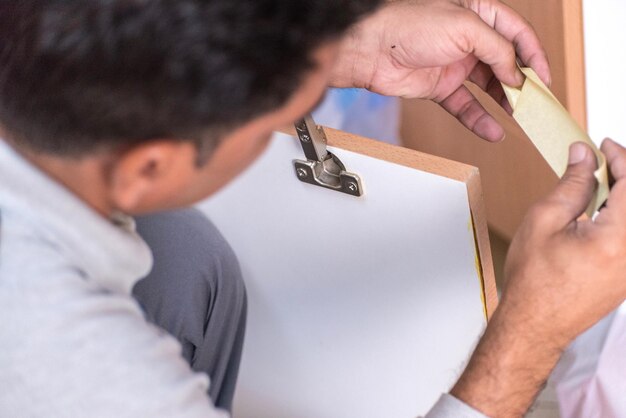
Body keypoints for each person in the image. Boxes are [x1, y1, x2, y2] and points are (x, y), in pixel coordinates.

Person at [0, 1, 625, 417]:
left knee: (186, 259)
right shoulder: (72, 364)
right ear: (151, 166)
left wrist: (344, 46)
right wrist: (531, 332)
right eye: (276, 121)